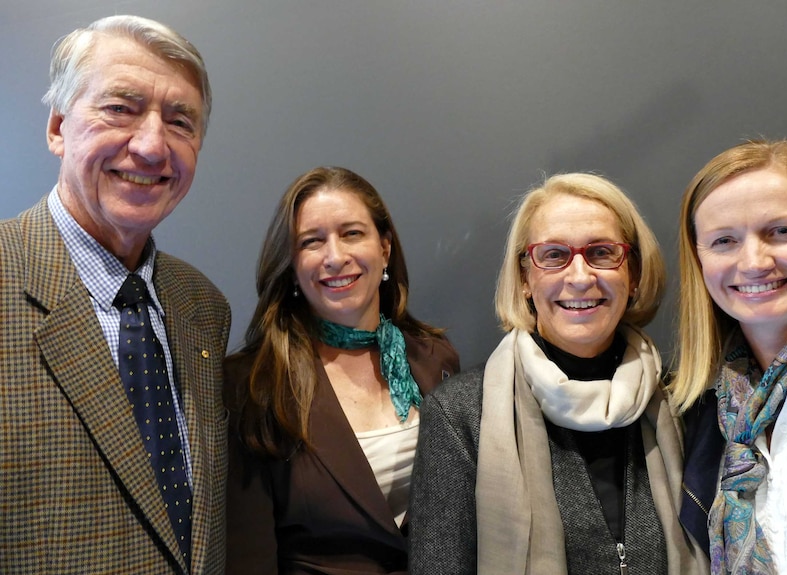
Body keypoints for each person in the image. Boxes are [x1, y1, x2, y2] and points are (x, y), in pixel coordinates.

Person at [0, 15, 230, 574]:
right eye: (120, 109)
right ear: (58, 127)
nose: (152, 146)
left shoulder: (203, 306)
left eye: (180, 122)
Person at [409, 173, 708, 574]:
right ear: (525, 279)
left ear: (633, 275)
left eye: (602, 252)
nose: (580, 277)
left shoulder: (684, 399)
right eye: (553, 255)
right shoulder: (460, 415)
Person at [223, 166, 460, 575]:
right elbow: (249, 556)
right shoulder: (251, 384)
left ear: (384, 249)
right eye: (312, 242)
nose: (335, 257)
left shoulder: (435, 359)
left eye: (352, 233)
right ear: (292, 265)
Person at [671, 139, 787, 574]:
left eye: (782, 231)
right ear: (699, 260)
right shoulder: (688, 412)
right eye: (724, 241)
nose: (754, 261)